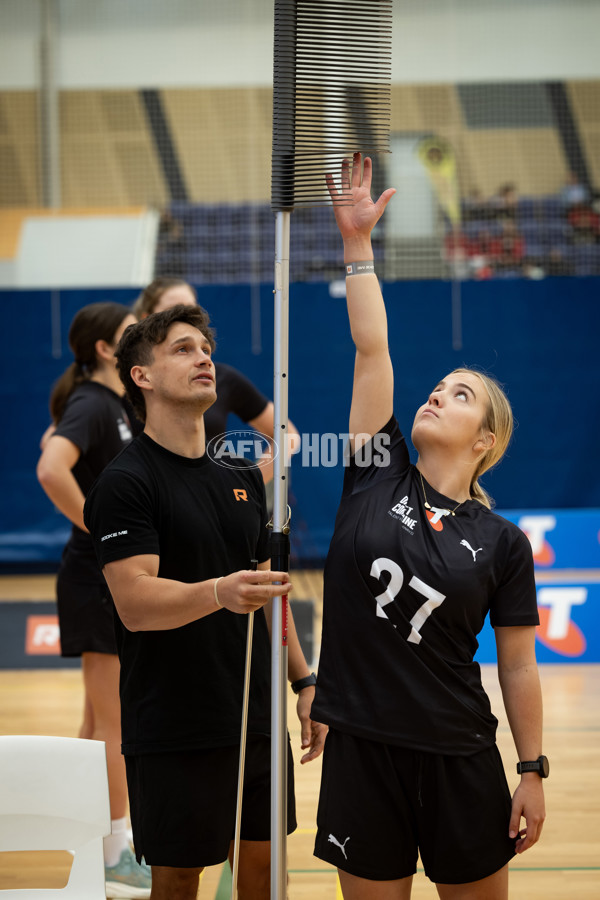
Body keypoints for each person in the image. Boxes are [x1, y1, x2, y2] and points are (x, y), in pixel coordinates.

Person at [311, 154, 546, 900]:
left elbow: (516, 667)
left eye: (462, 395)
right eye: (439, 388)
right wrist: (357, 249)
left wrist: (532, 770)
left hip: (457, 757)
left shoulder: (503, 543)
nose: (439, 396)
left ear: (486, 439)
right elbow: (371, 347)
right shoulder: (375, 470)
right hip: (361, 751)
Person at [83, 303, 326, 900]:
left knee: (265, 875)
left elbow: (273, 597)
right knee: (177, 879)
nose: (204, 358)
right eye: (183, 349)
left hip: (256, 714)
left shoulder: (240, 478)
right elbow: (136, 602)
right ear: (141, 375)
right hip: (174, 720)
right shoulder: (126, 482)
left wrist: (305, 682)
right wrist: (219, 591)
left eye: (206, 348)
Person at [36, 302, 152, 899]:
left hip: (99, 579)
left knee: (96, 722)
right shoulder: (90, 401)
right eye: (132, 327)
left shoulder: (112, 405)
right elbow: (51, 467)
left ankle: (85, 839)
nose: (143, 332)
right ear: (107, 349)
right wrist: (98, 527)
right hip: (94, 580)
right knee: (114, 724)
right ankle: (116, 854)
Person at [132, 277, 300, 493]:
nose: (186, 319)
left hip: (213, 503)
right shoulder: (132, 380)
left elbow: (287, 435)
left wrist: (249, 484)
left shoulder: (219, 377)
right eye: (174, 311)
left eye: (192, 311)